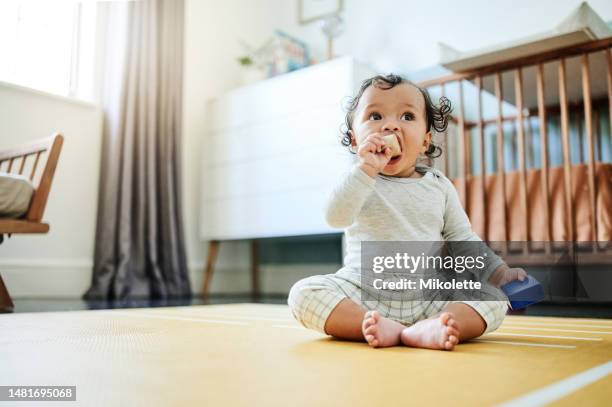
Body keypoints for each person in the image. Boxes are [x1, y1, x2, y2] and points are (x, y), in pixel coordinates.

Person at [288, 74, 527, 350]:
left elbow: (464, 242)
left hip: (429, 296)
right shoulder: (359, 180)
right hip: (362, 291)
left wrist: (500, 273)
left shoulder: (439, 187)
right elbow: (335, 217)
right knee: (302, 294)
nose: (390, 125)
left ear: (425, 141)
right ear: (355, 141)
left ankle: (434, 326)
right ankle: (369, 323)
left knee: (492, 297)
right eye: (375, 116)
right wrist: (365, 169)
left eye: (407, 117)